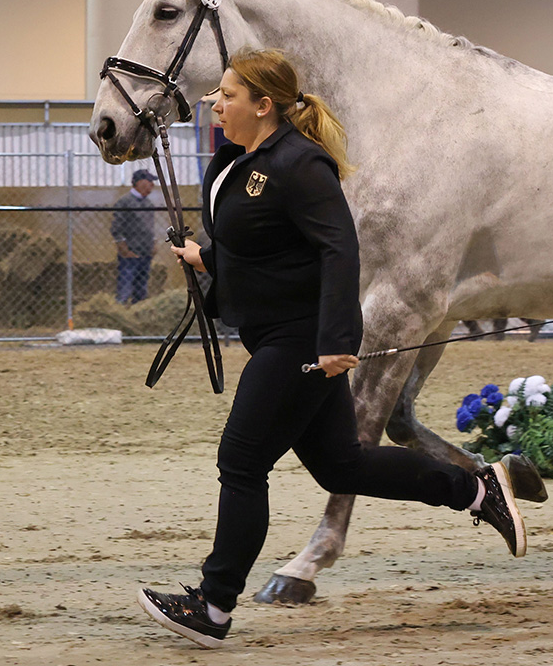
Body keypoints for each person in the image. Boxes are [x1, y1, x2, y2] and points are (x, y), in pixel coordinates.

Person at [136, 49, 530, 649]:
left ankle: (213, 608)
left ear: (263, 105)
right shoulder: (235, 164)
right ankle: (479, 489)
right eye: (218, 93)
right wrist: (205, 258)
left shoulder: (301, 164)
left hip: (302, 338)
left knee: (241, 463)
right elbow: (260, 246)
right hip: (272, 333)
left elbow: (338, 251)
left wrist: (336, 342)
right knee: (342, 465)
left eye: (228, 93)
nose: (215, 102)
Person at [111, 168, 158, 304]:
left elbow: (150, 227)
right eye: (149, 181)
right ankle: (120, 312)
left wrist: (154, 243)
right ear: (139, 182)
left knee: (141, 289)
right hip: (130, 254)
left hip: (145, 253)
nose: (151, 185)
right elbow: (116, 227)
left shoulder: (148, 203)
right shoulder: (124, 202)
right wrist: (123, 247)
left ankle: (138, 314)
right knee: (125, 288)